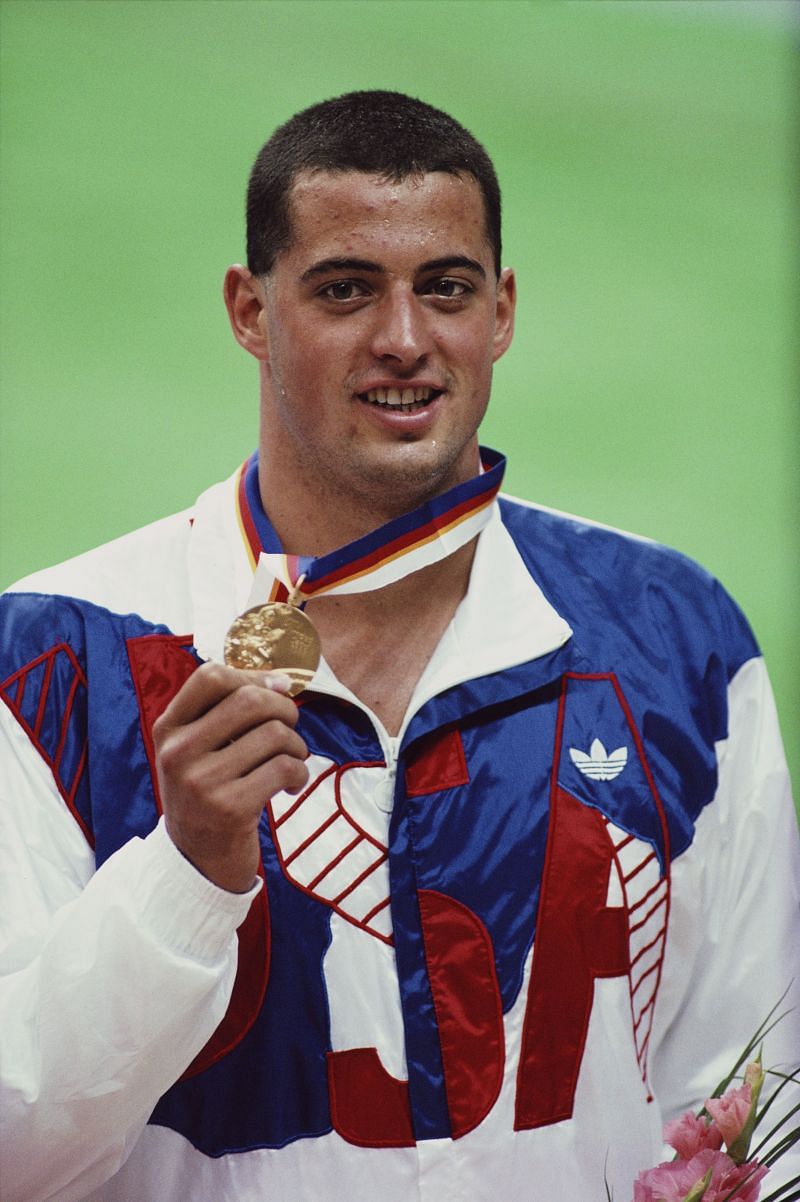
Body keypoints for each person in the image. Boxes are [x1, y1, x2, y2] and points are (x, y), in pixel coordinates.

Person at [0, 90, 797, 1202]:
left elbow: (754, 1094)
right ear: (249, 308)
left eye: (446, 288)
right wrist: (185, 871)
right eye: (343, 289)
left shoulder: (675, 635)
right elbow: (16, 1150)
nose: (404, 340)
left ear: (502, 310)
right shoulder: (49, 662)